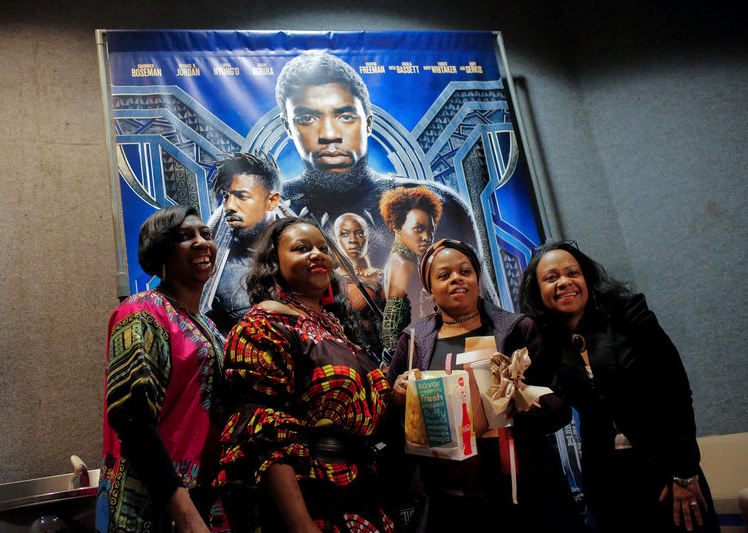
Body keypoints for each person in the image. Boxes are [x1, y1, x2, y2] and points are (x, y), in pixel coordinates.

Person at [519, 240, 719, 533]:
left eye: (572, 273)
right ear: (539, 292)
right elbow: (553, 409)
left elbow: (676, 393)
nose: (564, 283)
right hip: (607, 481)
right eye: (551, 278)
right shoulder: (546, 344)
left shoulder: (629, 314)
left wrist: (685, 472)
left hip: (668, 470)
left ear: (586, 279)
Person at [386, 239, 584, 533]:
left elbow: (560, 410)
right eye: (444, 275)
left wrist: (522, 397)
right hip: (449, 502)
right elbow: (386, 427)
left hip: (522, 496)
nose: (456, 278)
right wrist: (398, 398)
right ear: (430, 290)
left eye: (464, 271)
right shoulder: (413, 341)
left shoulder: (517, 329)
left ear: (477, 278)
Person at [215, 217, 396, 533]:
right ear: (275, 264)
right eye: (301, 248)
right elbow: (262, 431)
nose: (318, 254)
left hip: (363, 491)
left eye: (323, 248)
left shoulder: (334, 328)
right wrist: (302, 525)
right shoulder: (262, 327)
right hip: (310, 497)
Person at [275, 51, 499, 305]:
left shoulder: (437, 205)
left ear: (368, 123)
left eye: (345, 116)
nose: (329, 134)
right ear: (287, 126)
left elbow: (484, 310)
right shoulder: (266, 211)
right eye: (308, 118)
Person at [96, 206, 229, 533]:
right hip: (155, 500)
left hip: (204, 493)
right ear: (161, 251)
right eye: (185, 237)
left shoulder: (209, 326)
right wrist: (185, 515)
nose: (201, 243)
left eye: (206, 235)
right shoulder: (142, 311)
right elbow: (131, 418)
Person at [204, 152, 281, 333]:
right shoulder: (211, 252)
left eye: (242, 196)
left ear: (272, 201)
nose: (229, 206)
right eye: (226, 196)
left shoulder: (300, 246)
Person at [378, 186, 440, 351]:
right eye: (419, 229)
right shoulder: (404, 264)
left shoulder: (399, 260)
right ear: (397, 227)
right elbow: (391, 327)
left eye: (430, 230)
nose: (426, 237)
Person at [333, 212, 385, 362]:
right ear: (336, 240)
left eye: (359, 233)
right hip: (349, 358)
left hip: (385, 355)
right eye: (344, 234)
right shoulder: (330, 281)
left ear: (368, 240)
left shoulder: (382, 277)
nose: (353, 241)